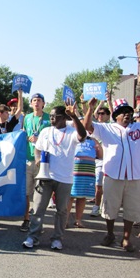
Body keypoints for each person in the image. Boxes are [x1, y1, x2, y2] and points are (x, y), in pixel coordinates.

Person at [22, 104, 86, 250]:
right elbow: (38, 149)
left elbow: (82, 136)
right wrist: (38, 158)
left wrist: (74, 116)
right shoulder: (45, 131)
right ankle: (33, 237)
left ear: (64, 117)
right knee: (38, 208)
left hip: (64, 178)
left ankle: (57, 238)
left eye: (54, 116)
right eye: (50, 116)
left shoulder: (71, 131)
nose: (51, 118)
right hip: (45, 176)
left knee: (62, 210)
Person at [83, 98, 140, 252]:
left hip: (135, 177)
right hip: (113, 175)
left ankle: (126, 238)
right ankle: (110, 234)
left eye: (128, 111)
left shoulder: (138, 127)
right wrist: (90, 108)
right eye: (122, 112)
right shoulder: (107, 129)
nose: (126, 114)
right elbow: (87, 126)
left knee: (131, 208)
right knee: (110, 208)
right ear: (116, 115)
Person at [20, 93, 51, 232]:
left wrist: (39, 139)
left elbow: (52, 138)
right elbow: (23, 133)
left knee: (41, 194)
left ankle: (38, 222)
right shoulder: (27, 118)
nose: (36, 103)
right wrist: (26, 137)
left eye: (39, 101)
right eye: (34, 101)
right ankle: (26, 219)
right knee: (26, 193)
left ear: (43, 103)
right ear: (31, 103)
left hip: (43, 161)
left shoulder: (48, 118)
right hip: (28, 160)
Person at [66, 134, 102, 228]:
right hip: (74, 168)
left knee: (82, 196)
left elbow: (100, 155)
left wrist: (98, 145)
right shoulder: (73, 136)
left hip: (88, 170)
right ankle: (64, 220)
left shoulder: (93, 140)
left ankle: (78, 220)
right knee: (70, 195)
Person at [90, 106, 111, 217]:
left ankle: (96, 207)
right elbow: (89, 115)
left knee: (99, 186)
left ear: (108, 116)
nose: (100, 115)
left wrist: (107, 101)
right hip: (92, 160)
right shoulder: (94, 127)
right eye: (98, 113)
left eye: (103, 113)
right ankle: (99, 204)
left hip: (104, 160)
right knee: (95, 185)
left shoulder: (111, 127)